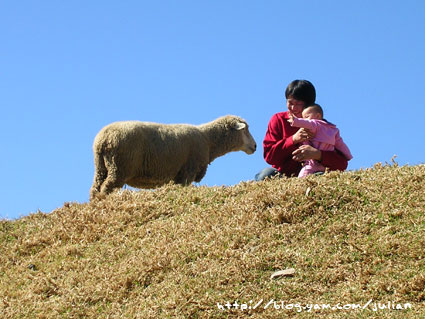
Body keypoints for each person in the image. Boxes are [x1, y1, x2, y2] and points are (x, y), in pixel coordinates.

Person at [255, 79, 348, 181]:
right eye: (290, 103)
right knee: (266, 175)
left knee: (322, 179)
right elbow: (269, 156)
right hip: (283, 177)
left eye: (298, 104)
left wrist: (318, 154)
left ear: (309, 104)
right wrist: (293, 140)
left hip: (312, 176)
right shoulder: (278, 119)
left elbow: (342, 163)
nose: (293, 108)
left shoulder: (324, 126)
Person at [288, 103, 353, 177]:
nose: (305, 120)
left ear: (318, 116)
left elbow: (307, 123)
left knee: (303, 176)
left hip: (313, 162)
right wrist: (348, 155)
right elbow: (340, 144)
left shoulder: (315, 124)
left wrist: (295, 121)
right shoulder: (333, 129)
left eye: (306, 117)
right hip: (326, 162)